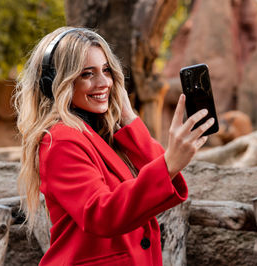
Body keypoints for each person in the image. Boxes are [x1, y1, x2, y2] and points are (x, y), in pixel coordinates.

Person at [13, 27, 215, 266]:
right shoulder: (60, 140)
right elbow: (101, 214)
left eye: (106, 70)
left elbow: (159, 187)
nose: (104, 82)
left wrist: (130, 121)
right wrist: (168, 163)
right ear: (54, 83)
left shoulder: (101, 133)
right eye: (88, 74)